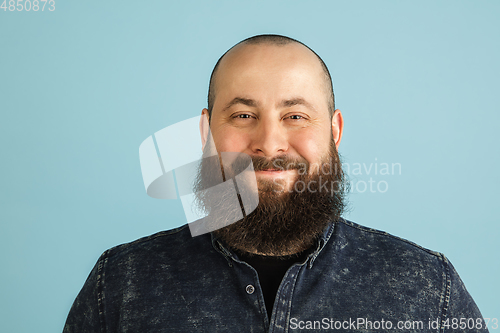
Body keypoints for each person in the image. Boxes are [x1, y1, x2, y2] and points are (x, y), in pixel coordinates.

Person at [63, 34, 487, 332]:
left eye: (295, 116)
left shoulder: (429, 289)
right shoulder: (121, 284)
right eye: (244, 115)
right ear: (207, 130)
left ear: (334, 131)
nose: (269, 144)